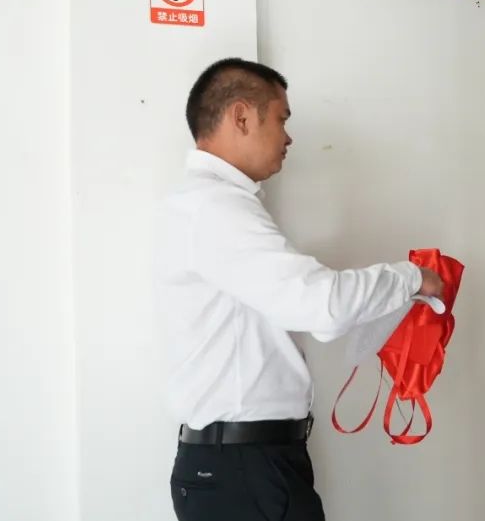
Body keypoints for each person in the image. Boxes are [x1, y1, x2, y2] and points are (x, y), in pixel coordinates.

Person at [154, 58, 444, 521]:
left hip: (243, 465)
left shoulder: (210, 208)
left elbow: (306, 309)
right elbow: (320, 305)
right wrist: (411, 277)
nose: (288, 137)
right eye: (281, 119)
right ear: (241, 116)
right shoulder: (216, 209)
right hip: (243, 468)